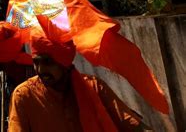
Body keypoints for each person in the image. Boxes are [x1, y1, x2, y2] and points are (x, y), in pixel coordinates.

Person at [8, 30, 148, 132]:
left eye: (48, 62)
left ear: (64, 63)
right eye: (36, 62)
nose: (40, 69)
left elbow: (128, 121)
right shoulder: (23, 95)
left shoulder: (93, 86)